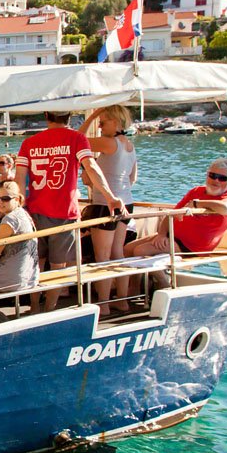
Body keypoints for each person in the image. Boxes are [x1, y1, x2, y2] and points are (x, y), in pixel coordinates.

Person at [14, 111, 125, 312]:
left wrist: (19, 208)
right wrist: (110, 197)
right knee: (59, 266)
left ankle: (33, 307)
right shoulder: (76, 139)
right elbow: (90, 166)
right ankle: (50, 308)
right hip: (64, 213)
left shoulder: (29, 142)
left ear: (47, 116)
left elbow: (20, 177)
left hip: (34, 212)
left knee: (35, 262)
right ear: (70, 116)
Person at [79, 106, 138, 314]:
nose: (100, 126)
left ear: (116, 122)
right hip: (126, 202)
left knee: (102, 256)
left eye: (103, 122)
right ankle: (122, 300)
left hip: (105, 204)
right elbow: (132, 178)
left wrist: (92, 115)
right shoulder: (129, 146)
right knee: (118, 253)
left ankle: (103, 304)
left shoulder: (108, 143)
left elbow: (78, 140)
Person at [125, 158, 227, 258]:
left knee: (141, 251)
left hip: (192, 247)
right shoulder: (196, 191)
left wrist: (197, 204)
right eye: (213, 175)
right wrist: (161, 234)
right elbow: (172, 214)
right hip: (172, 236)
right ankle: (140, 283)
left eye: (222, 178)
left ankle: (156, 281)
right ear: (207, 175)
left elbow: (225, 208)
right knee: (127, 249)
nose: (216, 180)